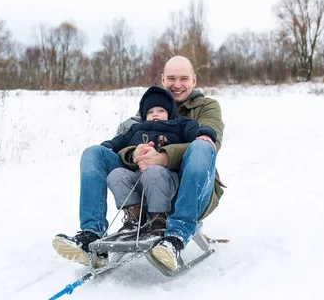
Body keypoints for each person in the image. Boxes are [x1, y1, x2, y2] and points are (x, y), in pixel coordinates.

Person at [52, 55, 225, 271]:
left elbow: (211, 142)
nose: (177, 84)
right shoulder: (149, 107)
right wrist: (135, 153)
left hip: (191, 190)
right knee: (94, 153)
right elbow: (123, 139)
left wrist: (163, 157)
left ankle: (177, 236)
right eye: (171, 78)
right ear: (163, 79)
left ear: (194, 80)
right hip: (147, 185)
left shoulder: (207, 107)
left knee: (202, 146)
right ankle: (91, 235)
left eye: (184, 78)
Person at [101, 85, 217, 235]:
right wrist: (108, 146)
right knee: (115, 175)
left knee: (153, 171)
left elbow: (194, 131)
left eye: (161, 111)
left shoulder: (179, 124)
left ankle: (158, 219)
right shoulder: (137, 128)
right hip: (139, 178)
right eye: (150, 112)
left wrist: (205, 133)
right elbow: (119, 140)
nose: (155, 115)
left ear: (170, 112)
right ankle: (135, 217)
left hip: (166, 178)